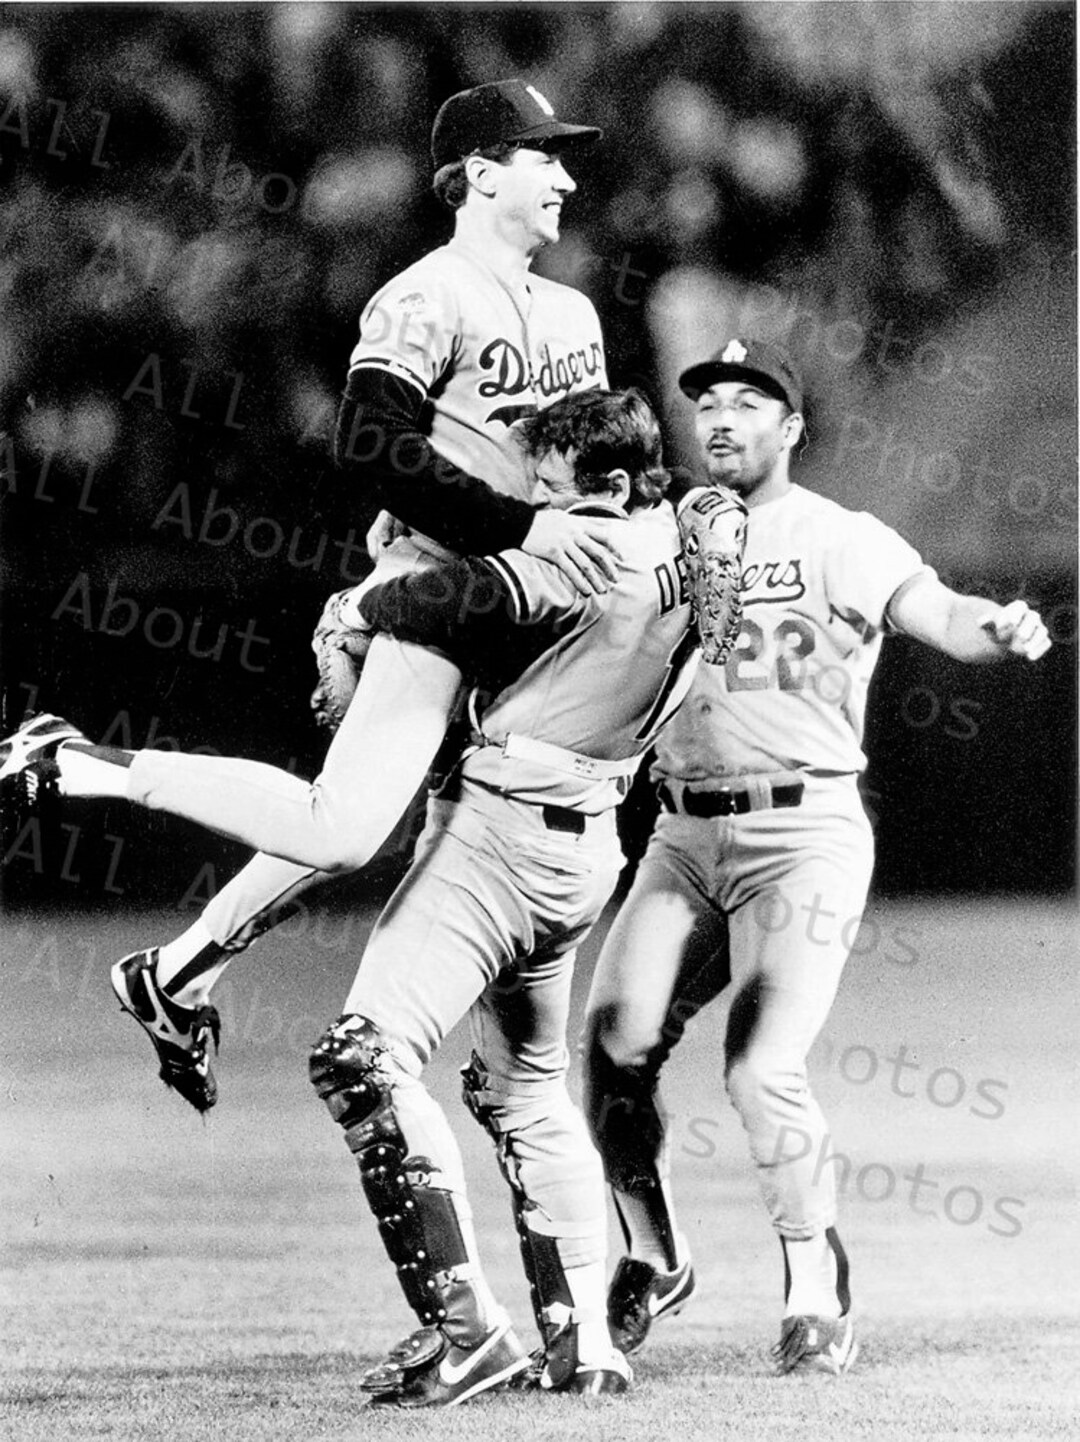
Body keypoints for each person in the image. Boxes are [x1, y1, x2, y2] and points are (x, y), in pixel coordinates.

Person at [0, 79, 623, 1114]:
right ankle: (80, 762)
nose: (563, 174)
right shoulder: (425, 294)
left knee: (402, 830)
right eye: (539, 154)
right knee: (345, 826)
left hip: (528, 607)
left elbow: (596, 465)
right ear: (476, 174)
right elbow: (370, 442)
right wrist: (509, 533)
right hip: (445, 589)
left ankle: (180, 970)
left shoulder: (573, 312)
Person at [580, 337, 1051, 1378]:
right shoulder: (660, 535)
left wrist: (997, 625)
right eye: (709, 402)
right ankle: (653, 1253)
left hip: (804, 835)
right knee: (611, 1050)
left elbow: (938, 612)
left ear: (792, 426)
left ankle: (812, 1278)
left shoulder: (839, 536)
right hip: (681, 832)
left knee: (758, 1064)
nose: (724, 419)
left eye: (751, 402)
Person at [291, 389, 738, 1407]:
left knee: (362, 1057)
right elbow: (715, 534)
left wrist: (352, 610)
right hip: (586, 851)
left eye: (550, 482)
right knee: (520, 1088)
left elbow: (455, 601)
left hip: (499, 833)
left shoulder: (586, 550)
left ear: (614, 484)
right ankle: (586, 1345)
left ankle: (465, 1333)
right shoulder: (693, 530)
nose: (531, 502)